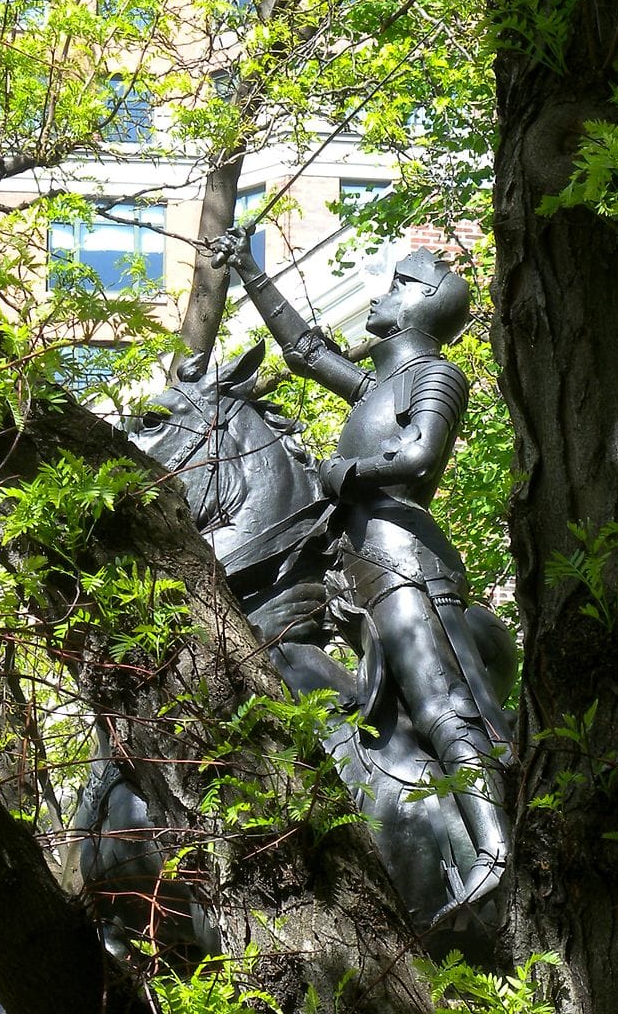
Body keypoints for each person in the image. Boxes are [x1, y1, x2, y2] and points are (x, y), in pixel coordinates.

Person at [214, 228, 511, 919]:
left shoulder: (435, 375)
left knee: (438, 701)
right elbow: (304, 351)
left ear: (420, 304)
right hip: (353, 564)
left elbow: (419, 457)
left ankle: (494, 848)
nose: (379, 295)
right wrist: (248, 269)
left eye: (395, 285)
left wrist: (342, 472)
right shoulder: (378, 383)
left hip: (404, 559)